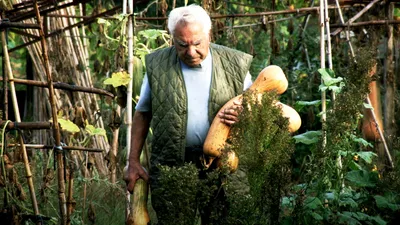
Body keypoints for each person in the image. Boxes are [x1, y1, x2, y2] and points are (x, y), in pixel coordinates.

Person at [124, 4, 253, 224]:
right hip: (173, 164)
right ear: (172, 38)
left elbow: (253, 107)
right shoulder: (158, 64)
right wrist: (133, 161)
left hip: (223, 164)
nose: (191, 52)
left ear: (209, 35)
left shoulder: (235, 63)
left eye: (197, 43)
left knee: (224, 219)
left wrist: (245, 116)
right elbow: (143, 113)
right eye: (182, 45)